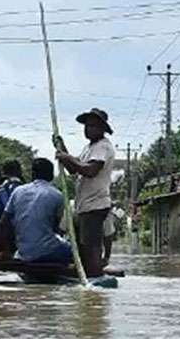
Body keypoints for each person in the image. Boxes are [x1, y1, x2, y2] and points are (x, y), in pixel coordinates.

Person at [54, 108, 115, 277]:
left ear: (102, 128)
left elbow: (90, 170)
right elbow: (74, 169)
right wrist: (61, 147)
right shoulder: (89, 148)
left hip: (95, 204)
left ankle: (94, 275)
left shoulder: (103, 146)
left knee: (91, 247)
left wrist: (66, 157)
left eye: (92, 126)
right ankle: (87, 274)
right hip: (85, 205)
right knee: (84, 247)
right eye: (86, 126)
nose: (88, 129)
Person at [0, 158, 72, 264]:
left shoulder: (18, 191)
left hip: (23, 252)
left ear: (33, 174)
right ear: (51, 176)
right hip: (48, 251)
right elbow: (58, 228)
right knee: (73, 250)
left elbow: (3, 222)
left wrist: (5, 249)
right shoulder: (57, 195)